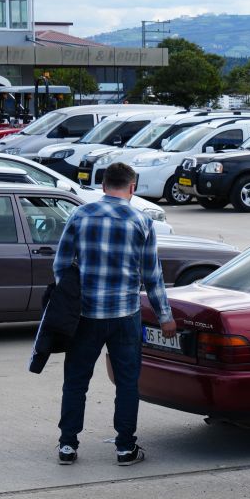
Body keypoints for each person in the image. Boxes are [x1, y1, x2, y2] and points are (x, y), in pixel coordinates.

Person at [53, 162, 175, 466]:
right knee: (127, 382)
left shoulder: (80, 215)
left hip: (85, 315)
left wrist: (69, 300)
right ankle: (125, 448)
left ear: (103, 185)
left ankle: (67, 445)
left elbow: (60, 265)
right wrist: (165, 316)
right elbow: (152, 275)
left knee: (76, 381)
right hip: (124, 316)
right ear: (132, 187)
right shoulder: (141, 221)